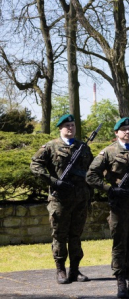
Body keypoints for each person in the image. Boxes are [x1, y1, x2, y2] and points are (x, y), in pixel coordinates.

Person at [86, 117, 129, 299]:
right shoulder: (108, 152)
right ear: (116, 133)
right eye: (123, 129)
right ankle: (121, 282)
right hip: (120, 207)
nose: (128, 132)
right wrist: (110, 189)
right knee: (120, 245)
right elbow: (91, 175)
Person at [30, 114, 94, 284]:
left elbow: (91, 171)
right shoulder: (51, 147)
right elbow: (35, 164)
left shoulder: (84, 147)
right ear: (60, 128)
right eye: (67, 126)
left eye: (72, 125)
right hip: (60, 200)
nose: (70, 128)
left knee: (76, 235)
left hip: (80, 199)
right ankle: (60, 270)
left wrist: (90, 195)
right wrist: (53, 181)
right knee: (59, 235)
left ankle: (75, 270)